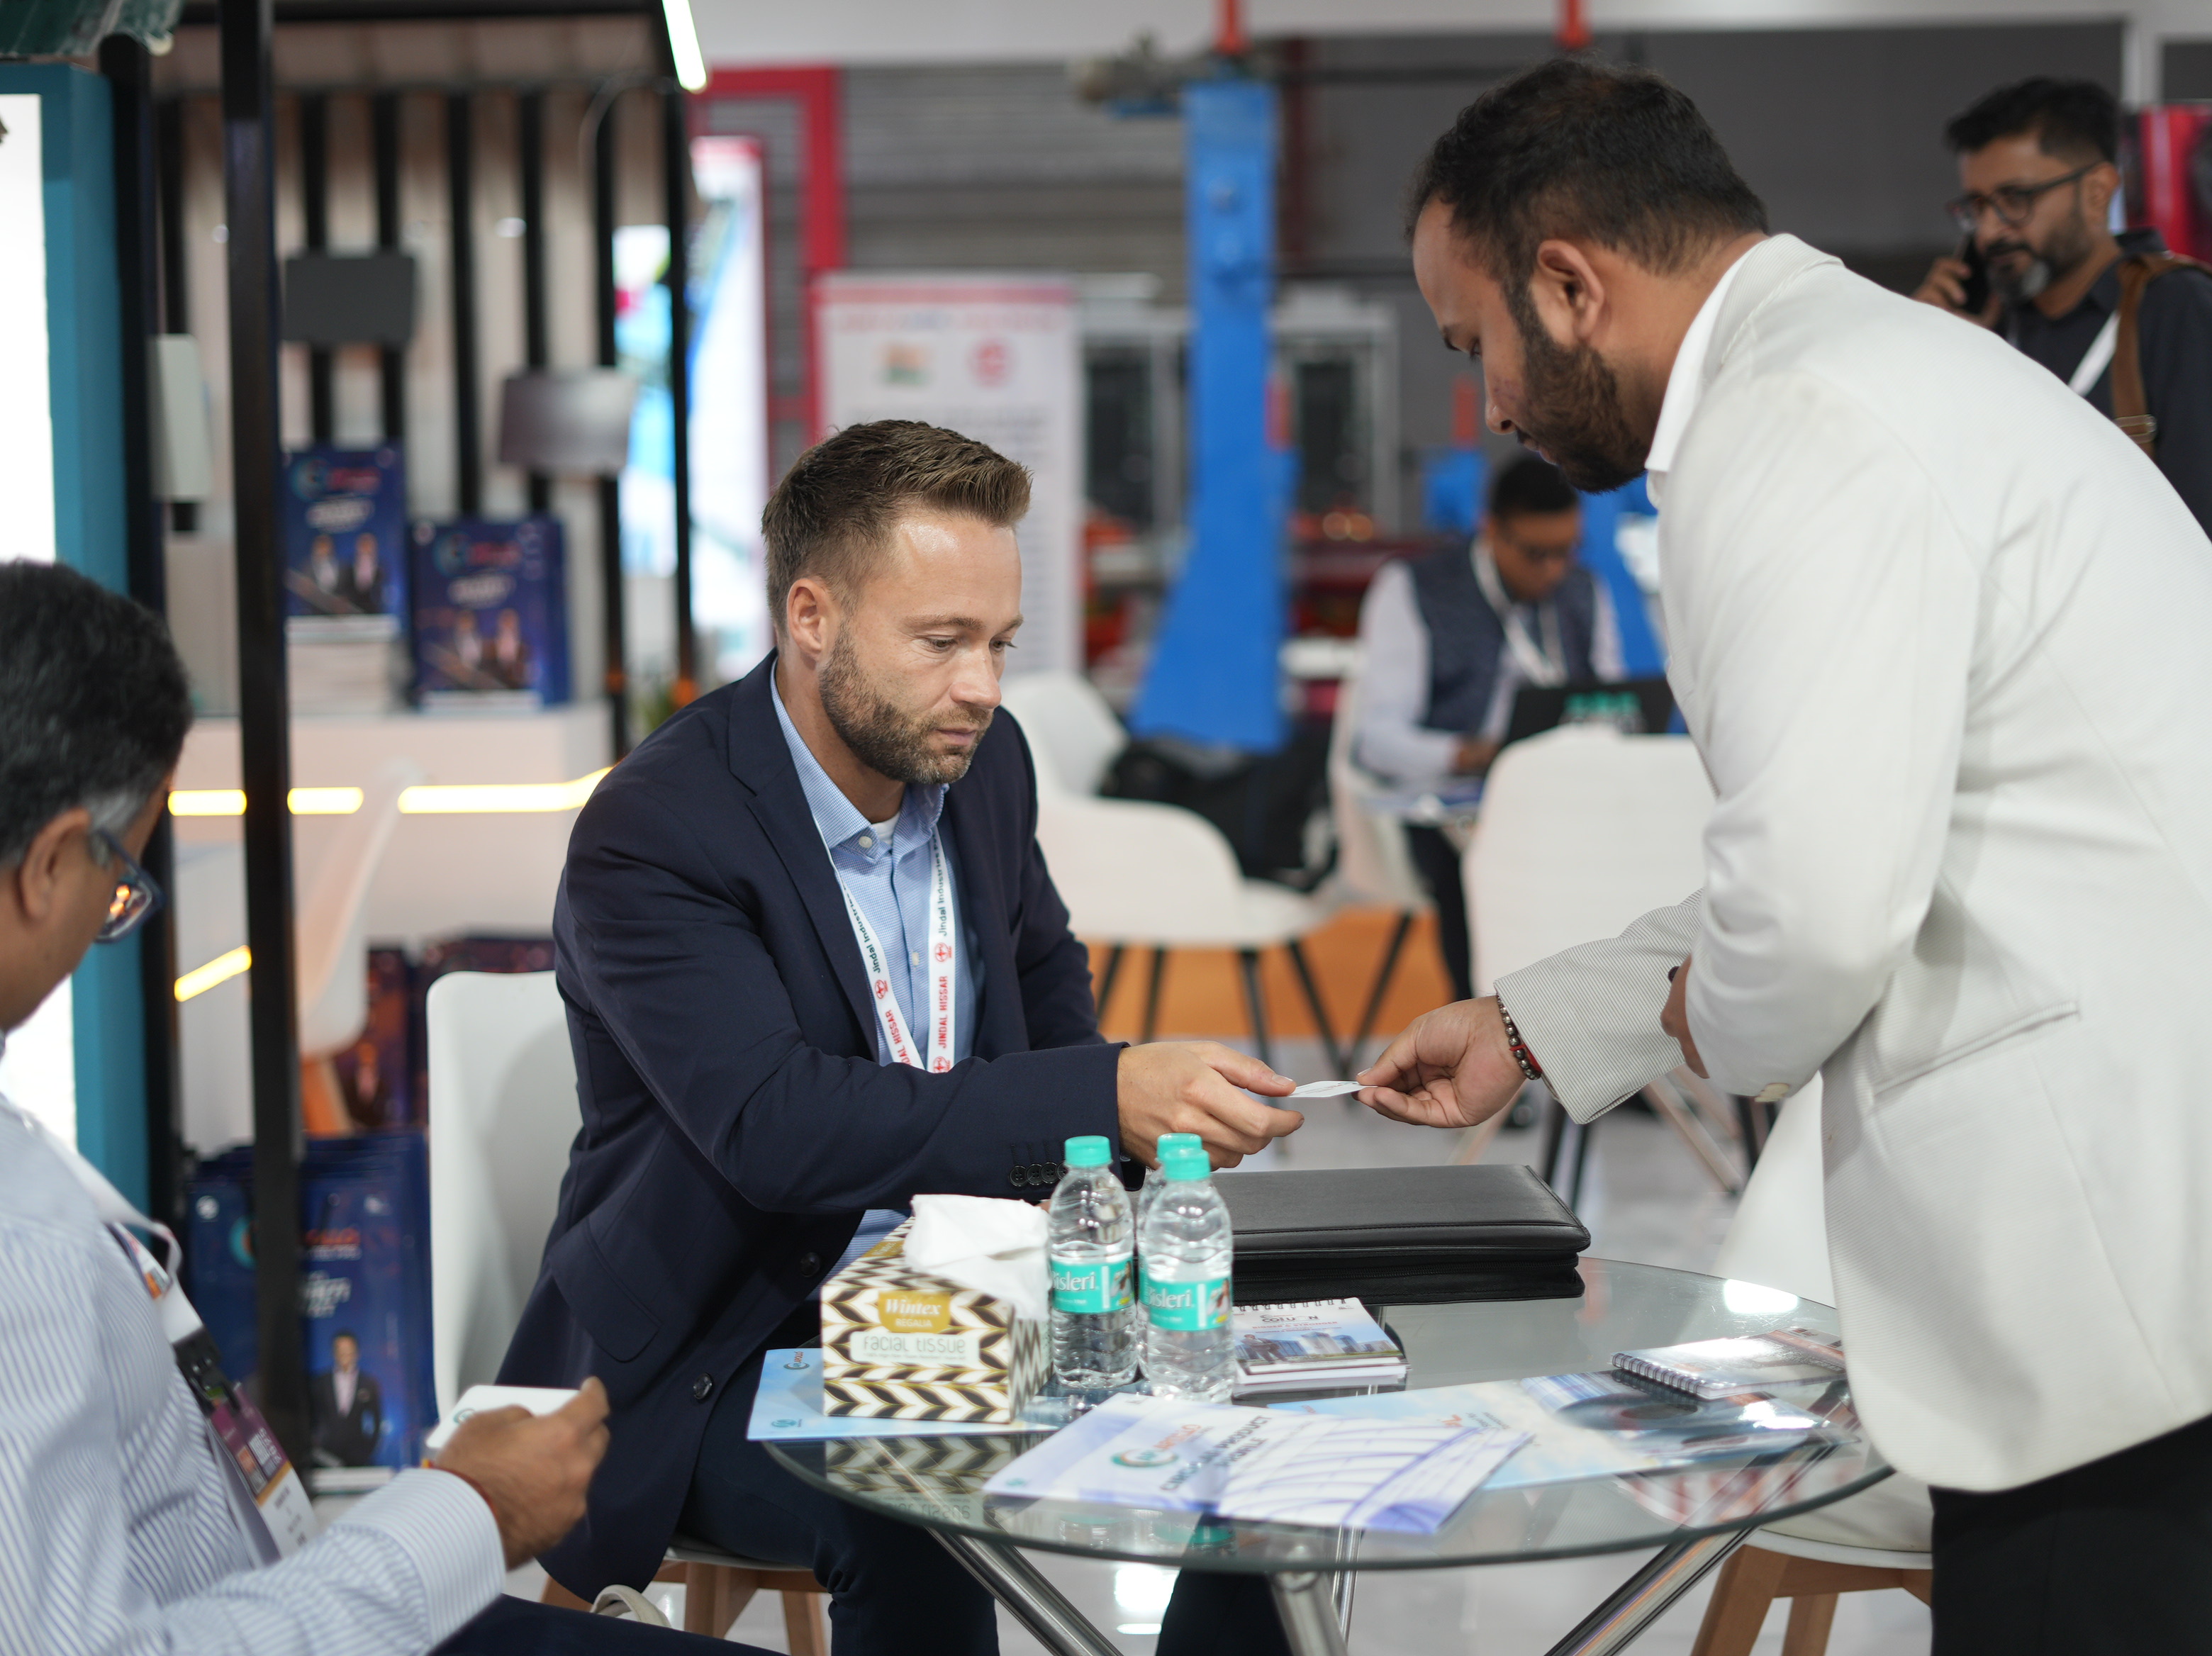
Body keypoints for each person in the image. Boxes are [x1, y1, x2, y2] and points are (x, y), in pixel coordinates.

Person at [1361, 60, 2212, 1651]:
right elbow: (1838, 835)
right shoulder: (1870, 371)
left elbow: (1809, 926)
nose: (1492, 408)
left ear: (1571, 285)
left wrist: (1722, 1012)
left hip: (2103, 1252)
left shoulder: (1793, 426)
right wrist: (1539, 1022)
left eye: (1474, 346)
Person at [497, 420, 1303, 1653]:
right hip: (732, 1343)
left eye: (999, 643)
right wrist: (1105, 1092)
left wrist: (1129, 1132)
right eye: (942, 642)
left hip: (976, 1295)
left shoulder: (984, 762)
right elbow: (778, 1127)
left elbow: (1042, 981)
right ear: (812, 618)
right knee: (915, 1510)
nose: (983, 685)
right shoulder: (657, 827)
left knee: (1247, 1446)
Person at [0, 559, 757, 1655]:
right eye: (118, 884)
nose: (103, 928)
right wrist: (466, 1512)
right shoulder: (24, 1250)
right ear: (47, 864)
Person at [1353, 452, 1621, 1000]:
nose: (1553, 570)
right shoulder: (1416, 588)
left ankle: (1595, 1030)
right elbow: (1376, 740)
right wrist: (1468, 754)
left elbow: (1617, 705)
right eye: (1536, 554)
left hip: (1563, 797)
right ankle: (1485, 1019)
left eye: (1567, 551)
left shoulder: (1583, 590)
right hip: (1451, 808)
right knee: (1481, 868)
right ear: (1490, 530)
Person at [1914, 76, 2212, 532]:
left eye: (2015, 199)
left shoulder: (2175, 308)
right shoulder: (1985, 329)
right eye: (1977, 206)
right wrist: (1923, 353)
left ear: (2097, 192)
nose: (1990, 231)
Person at [311, 1330, 386, 1468]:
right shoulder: (321, 1382)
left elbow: (377, 1420)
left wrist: (368, 1450)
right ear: (334, 1353)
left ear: (357, 1353)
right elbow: (312, 1417)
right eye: (340, 1350)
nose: (345, 1354)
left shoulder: (368, 1383)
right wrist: (316, 1447)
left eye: (349, 1350)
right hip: (326, 1454)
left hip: (358, 1455)